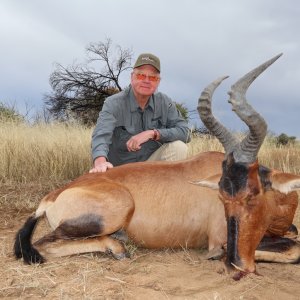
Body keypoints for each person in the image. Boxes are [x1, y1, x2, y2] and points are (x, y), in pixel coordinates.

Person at [89, 53, 191, 173]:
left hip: (149, 169)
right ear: (132, 77)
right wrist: (100, 161)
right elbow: (101, 135)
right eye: (141, 75)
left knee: (179, 148)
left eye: (153, 77)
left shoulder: (164, 102)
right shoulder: (113, 103)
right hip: (119, 171)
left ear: (158, 81)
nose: (147, 81)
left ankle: (160, 190)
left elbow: (186, 132)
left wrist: (153, 133)